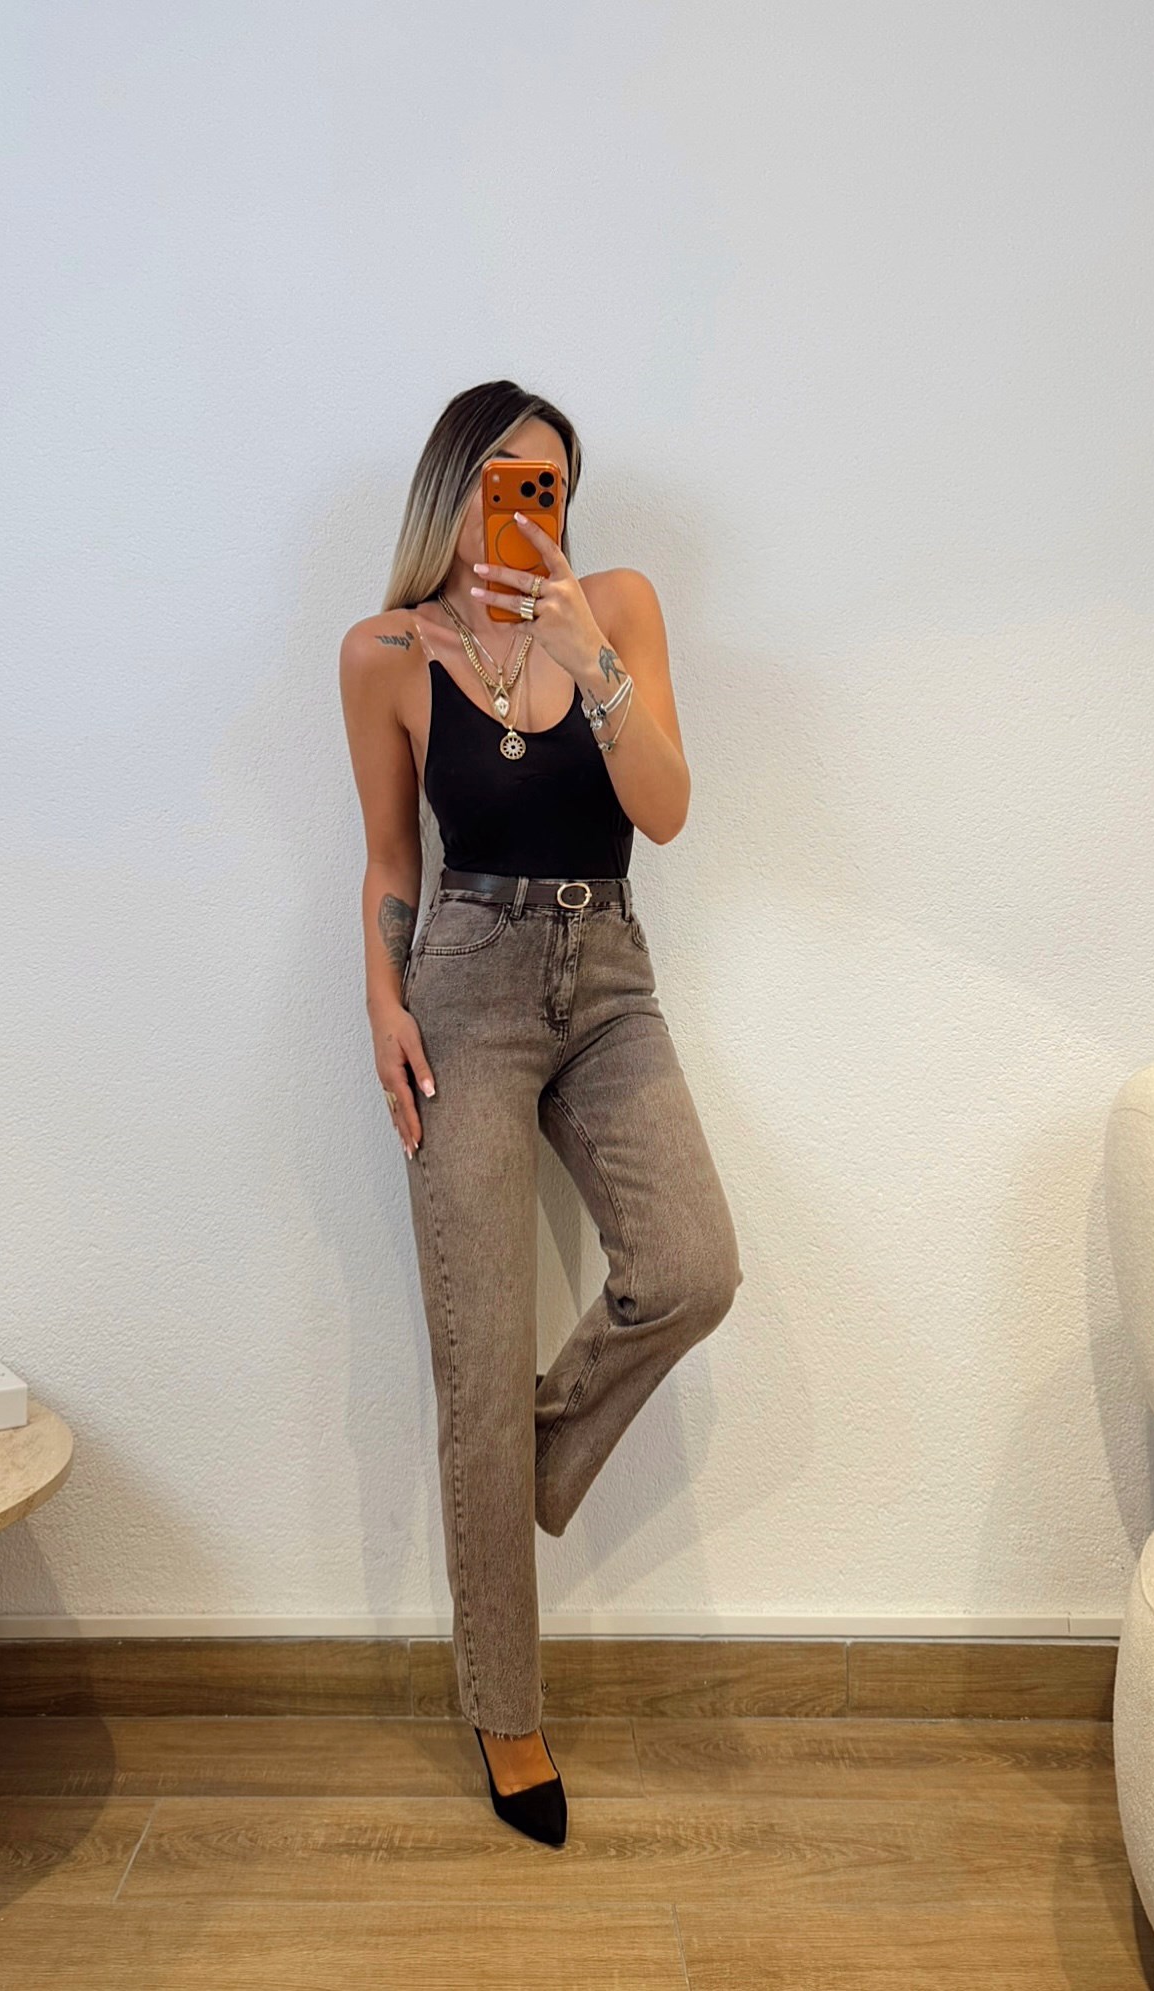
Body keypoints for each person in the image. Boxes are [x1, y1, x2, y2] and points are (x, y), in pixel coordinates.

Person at [338, 379, 743, 1846]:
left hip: (610, 972)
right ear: (450, 485)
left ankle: (520, 1452)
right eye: (503, 478)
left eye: (551, 485)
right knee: (477, 1342)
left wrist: (590, 659)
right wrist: (382, 1002)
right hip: (464, 986)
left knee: (693, 1265)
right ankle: (507, 1712)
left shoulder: (613, 606)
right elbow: (393, 857)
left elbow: (666, 811)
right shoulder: (385, 652)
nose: (528, 505)